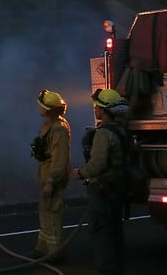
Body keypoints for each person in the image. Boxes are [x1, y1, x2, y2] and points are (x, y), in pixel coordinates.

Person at [70, 88, 129, 275]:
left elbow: (96, 165)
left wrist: (79, 173)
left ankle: (107, 269)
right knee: (114, 230)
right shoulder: (121, 131)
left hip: (103, 188)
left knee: (101, 231)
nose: (95, 108)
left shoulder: (103, 134)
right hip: (117, 187)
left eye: (97, 106)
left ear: (104, 110)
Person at [29, 89, 71, 263]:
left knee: (53, 212)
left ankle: (56, 252)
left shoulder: (59, 129)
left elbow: (60, 159)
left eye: (41, 105)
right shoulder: (48, 125)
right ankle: (43, 248)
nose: (38, 107)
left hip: (53, 176)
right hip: (46, 172)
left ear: (47, 109)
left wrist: (51, 181)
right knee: (45, 210)